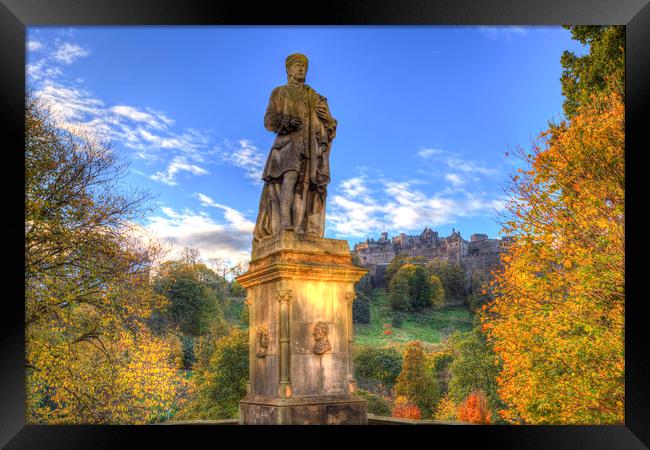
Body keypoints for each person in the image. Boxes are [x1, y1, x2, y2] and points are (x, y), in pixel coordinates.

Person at [252, 53, 337, 247]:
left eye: (304, 67)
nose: (301, 69)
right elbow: (269, 121)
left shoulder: (312, 95)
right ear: (289, 70)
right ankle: (284, 223)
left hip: (308, 147)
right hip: (286, 146)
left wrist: (328, 120)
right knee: (289, 180)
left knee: (304, 186)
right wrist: (287, 122)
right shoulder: (280, 92)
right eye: (297, 66)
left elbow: (327, 123)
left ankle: (299, 227)